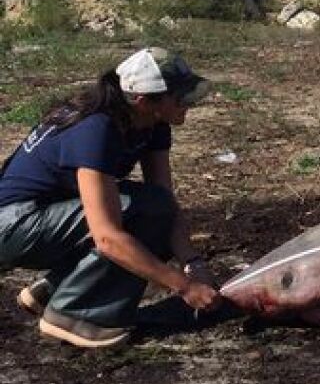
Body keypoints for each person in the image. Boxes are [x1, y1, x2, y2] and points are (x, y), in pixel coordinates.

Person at [0, 47, 221, 347]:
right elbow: (107, 237)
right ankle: (73, 315)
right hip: (13, 224)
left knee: (154, 208)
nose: (188, 104)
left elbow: (165, 201)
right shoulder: (96, 128)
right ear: (143, 101)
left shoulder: (152, 124)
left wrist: (192, 262)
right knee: (134, 212)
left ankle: (59, 288)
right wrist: (183, 287)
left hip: (49, 214)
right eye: (179, 97)